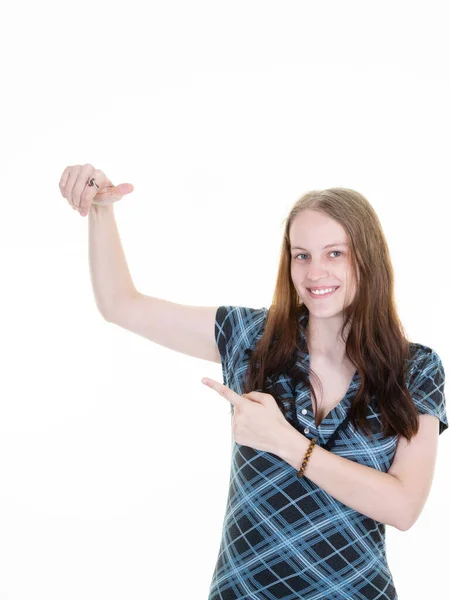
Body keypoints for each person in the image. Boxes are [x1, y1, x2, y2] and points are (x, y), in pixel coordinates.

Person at [59, 165, 447, 600]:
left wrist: (286, 442)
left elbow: (403, 506)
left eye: (334, 253)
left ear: (367, 257)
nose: (315, 272)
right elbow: (120, 305)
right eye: (302, 255)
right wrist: (102, 213)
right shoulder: (250, 338)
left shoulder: (415, 368)